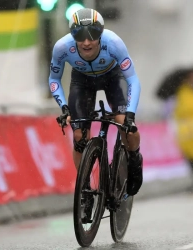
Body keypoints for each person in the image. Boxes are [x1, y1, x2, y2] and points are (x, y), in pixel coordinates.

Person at [49, 8, 143, 198]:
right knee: (79, 135)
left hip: (113, 78)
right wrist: (64, 108)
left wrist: (131, 116)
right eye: (79, 35)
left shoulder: (114, 43)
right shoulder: (62, 47)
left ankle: (134, 160)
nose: (86, 42)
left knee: (125, 124)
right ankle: (85, 186)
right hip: (82, 81)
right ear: (72, 35)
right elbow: (54, 80)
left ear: (101, 34)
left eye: (92, 35)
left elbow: (133, 80)